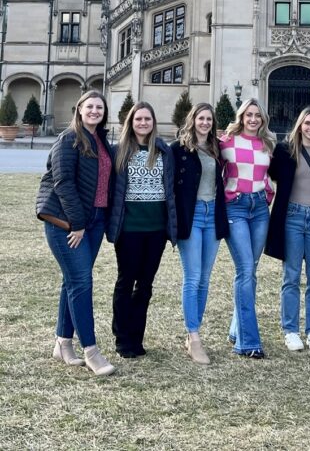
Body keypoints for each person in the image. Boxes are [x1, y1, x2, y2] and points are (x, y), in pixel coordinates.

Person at [36, 90, 116, 376]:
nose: (95, 111)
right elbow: (63, 182)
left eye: (99, 107)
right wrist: (78, 223)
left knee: (73, 281)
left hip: (94, 222)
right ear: (79, 110)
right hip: (69, 224)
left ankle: (63, 343)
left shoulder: (101, 140)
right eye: (90, 106)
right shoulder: (68, 139)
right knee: (82, 282)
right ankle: (91, 351)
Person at [107, 101, 177, 358]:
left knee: (145, 284)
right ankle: (122, 337)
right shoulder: (119, 151)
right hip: (129, 228)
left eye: (147, 119)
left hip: (156, 228)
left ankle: (137, 336)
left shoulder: (163, 151)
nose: (143, 123)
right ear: (131, 122)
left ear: (153, 123)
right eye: (138, 119)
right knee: (126, 281)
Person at [265, 106, 310, 352]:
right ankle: (290, 330)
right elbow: (266, 172)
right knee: (291, 276)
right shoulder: (284, 151)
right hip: (292, 217)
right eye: (307, 123)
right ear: (299, 125)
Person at [172, 102, 228, 365]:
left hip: (212, 215)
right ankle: (194, 337)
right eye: (201, 118)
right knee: (192, 277)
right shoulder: (179, 148)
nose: (205, 122)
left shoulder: (217, 148)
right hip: (191, 216)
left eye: (209, 119)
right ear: (193, 119)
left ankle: (194, 332)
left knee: (205, 279)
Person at [220, 97, 276, 359]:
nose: (253, 119)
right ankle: (248, 341)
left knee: (251, 271)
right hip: (236, 208)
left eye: (257, 115)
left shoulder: (267, 144)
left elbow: (267, 175)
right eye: (248, 115)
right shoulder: (226, 143)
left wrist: (268, 193)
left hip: (259, 210)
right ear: (241, 117)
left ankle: (236, 327)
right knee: (244, 270)